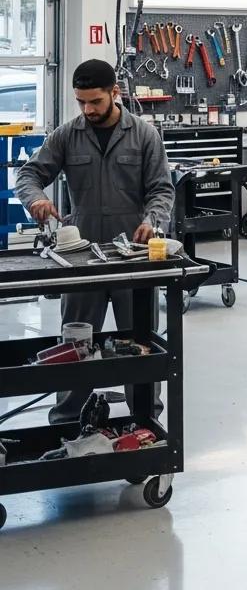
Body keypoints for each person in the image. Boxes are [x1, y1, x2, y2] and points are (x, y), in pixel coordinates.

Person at [16, 59, 174, 424]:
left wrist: (153, 221)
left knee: (141, 346)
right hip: (81, 258)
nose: (88, 110)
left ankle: (145, 422)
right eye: (81, 102)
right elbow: (29, 174)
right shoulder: (67, 135)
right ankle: (67, 423)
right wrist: (36, 198)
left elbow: (161, 190)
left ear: (114, 93)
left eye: (95, 102)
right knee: (75, 345)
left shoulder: (144, 135)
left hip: (132, 259)